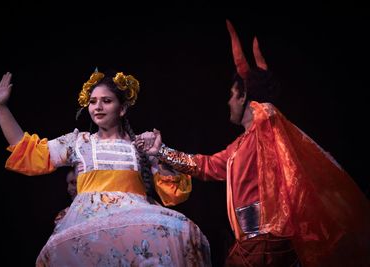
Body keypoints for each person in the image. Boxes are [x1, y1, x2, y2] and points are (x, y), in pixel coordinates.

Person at [136, 20, 370, 267]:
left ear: (244, 95)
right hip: (250, 245)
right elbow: (205, 166)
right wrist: (160, 151)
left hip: (267, 246)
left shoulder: (267, 129)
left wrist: (259, 96)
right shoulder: (238, 147)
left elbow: (269, 116)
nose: (229, 102)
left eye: (232, 94)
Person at [0, 69, 212, 266]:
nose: (97, 107)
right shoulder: (79, 143)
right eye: (93, 101)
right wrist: (1, 108)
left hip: (132, 224)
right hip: (90, 226)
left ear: (123, 108)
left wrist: (159, 152)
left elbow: (173, 193)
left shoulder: (140, 146)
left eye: (106, 101)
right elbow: (31, 153)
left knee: (184, 232)